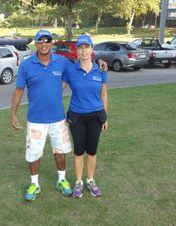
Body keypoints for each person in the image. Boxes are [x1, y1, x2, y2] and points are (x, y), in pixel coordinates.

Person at [11, 30, 107, 201]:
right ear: (36, 44)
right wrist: (13, 113)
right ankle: (34, 183)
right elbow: (19, 90)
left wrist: (99, 59)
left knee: (60, 150)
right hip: (36, 119)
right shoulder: (27, 65)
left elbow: (84, 59)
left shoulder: (62, 62)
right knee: (33, 152)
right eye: (40, 41)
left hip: (58, 117)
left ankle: (62, 180)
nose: (44, 44)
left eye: (47, 40)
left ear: (51, 43)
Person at [62, 34, 108, 198]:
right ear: (76, 52)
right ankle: (79, 182)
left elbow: (103, 95)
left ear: (92, 50)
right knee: (79, 151)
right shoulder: (70, 70)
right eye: (80, 48)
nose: (83, 51)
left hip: (96, 116)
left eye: (86, 47)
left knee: (92, 151)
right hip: (77, 117)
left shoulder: (100, 69)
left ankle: (90, 180)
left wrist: (105, 117)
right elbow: (59, 87)